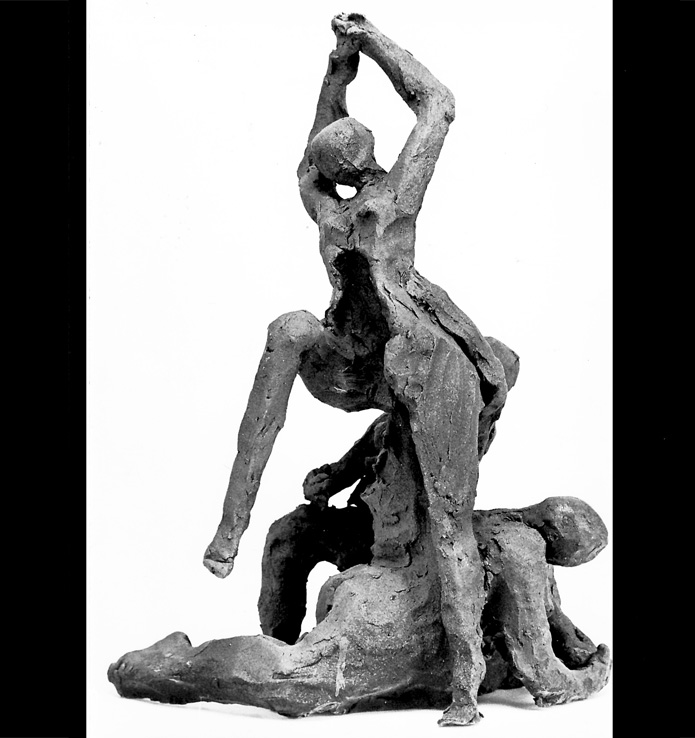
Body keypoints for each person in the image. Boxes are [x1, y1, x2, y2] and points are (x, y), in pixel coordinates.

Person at [203, 14, 512, 724]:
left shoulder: (364, 205)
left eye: (331, 157)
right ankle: (231, 525)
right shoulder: (354, 208)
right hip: (360, 362)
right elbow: (400, 117)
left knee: (449, 520)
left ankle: (465, 682)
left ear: (345, 165)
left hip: (414, 361)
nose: (325, 165)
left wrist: (359, 50)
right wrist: (349, 57)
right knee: (288, 331)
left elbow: (431, 107)